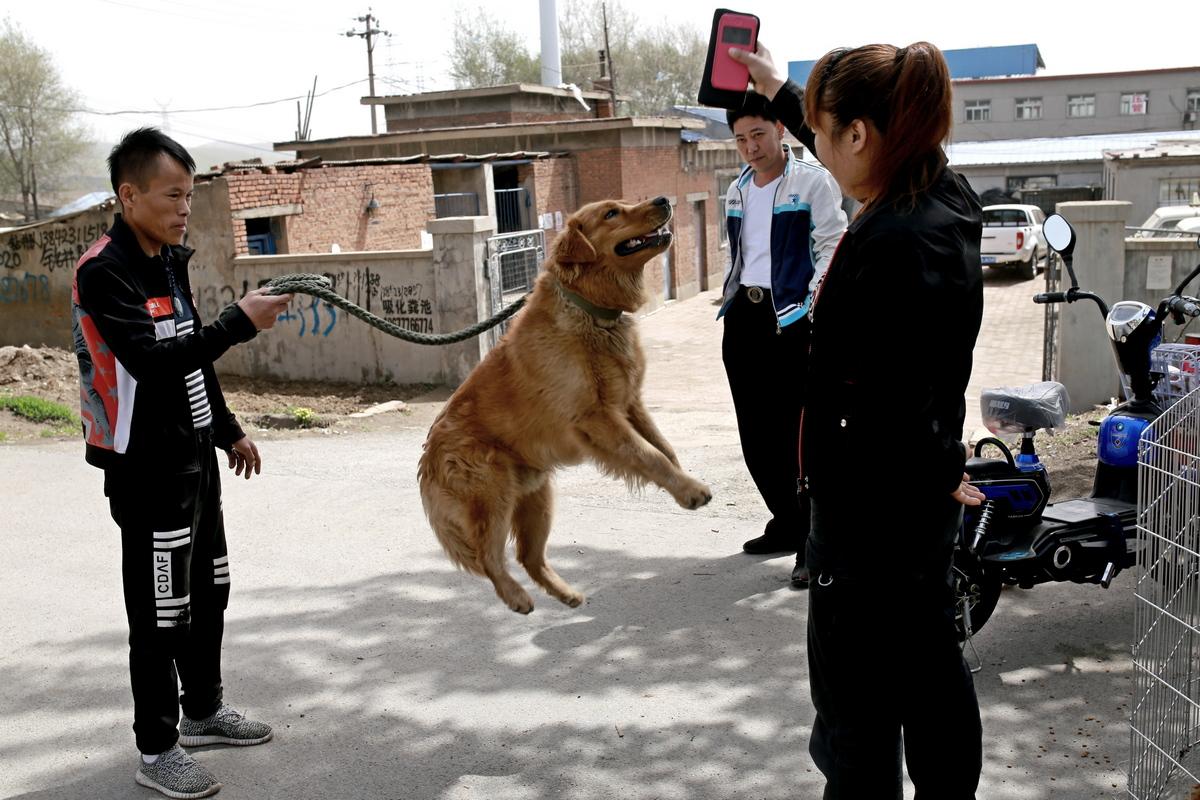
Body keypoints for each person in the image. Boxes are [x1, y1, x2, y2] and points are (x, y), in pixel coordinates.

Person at [729, 42, 988, 798]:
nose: (818, 150)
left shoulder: (893, 245)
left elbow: (893, 402)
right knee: (931, 671)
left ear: (861, 136)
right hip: (910, 504)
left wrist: (932, 468)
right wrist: (783, 88)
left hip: (870, 516)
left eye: (824, 131)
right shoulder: (944, 197)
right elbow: (917, 386)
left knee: (859, 713)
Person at [72, 127, 294, 799]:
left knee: (209, 593)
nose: (183, 208)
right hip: (145, 467)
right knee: (161, 612)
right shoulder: (103, 270)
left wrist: (225, 431)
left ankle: (202, 711)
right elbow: (153, 360)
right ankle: (157, 748)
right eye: (172, 195)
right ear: (128, 193)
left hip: (193, 456)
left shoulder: (169, 259)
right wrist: (239, 322)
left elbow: (189, 352)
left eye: (189, 196)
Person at [719, 91, 847, 589]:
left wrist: (813, 305)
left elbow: (832, 245)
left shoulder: (812, 183)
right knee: (756, 434)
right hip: (743, 322)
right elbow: (741, 253)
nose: (750, 146)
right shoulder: (738, 188)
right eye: (740, 139)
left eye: (757, 134)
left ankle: (811, 541)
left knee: (798, 440)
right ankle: (785, 523)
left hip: (791, 320)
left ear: (779, 130)